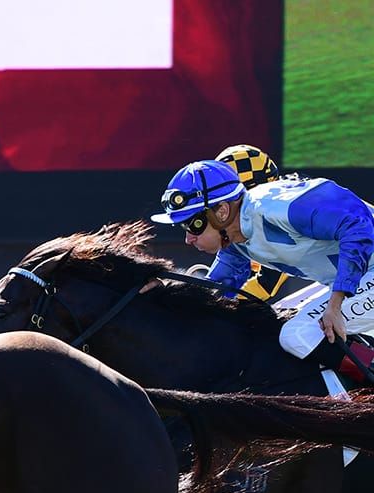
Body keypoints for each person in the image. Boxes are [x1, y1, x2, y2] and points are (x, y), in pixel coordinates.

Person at [151, 158, 374, 382]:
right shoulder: (235, 239)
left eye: (192, 224)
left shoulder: (275, 207)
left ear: (222, 212)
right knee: (284, 322)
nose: (188, 238)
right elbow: (215, 289)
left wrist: (335, 303)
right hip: (362, 278)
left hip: (366, 273)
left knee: (296, 333)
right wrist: (162, 293)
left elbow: (358, 225)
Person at [215, 144, 295, 303]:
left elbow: (266, 284)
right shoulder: (248, 219)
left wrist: (220, 305)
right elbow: (220, 276)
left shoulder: (280, 218)